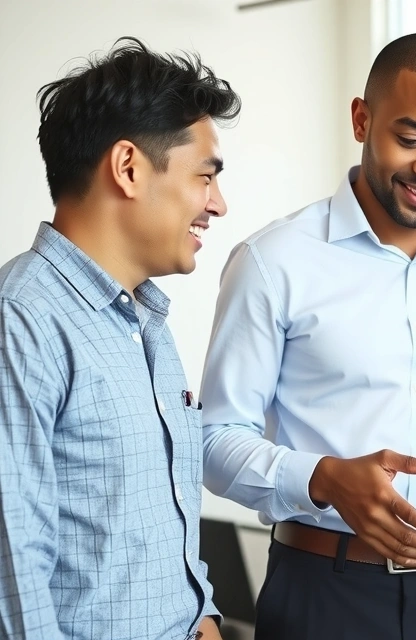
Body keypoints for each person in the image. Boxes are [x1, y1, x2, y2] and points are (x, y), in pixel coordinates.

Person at [200, 33, 416, 640]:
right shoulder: (274, 261)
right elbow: (215, 439)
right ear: (361, 119)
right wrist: (321, 477)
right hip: (323, 594)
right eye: (410, 139)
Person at [0, 37, 239, 640]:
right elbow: (12, 573)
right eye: (204, 177)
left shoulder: (145, 324)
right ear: (128, 167)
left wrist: (205, 615)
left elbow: (157, 528)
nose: (218, 203)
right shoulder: (21, 320)